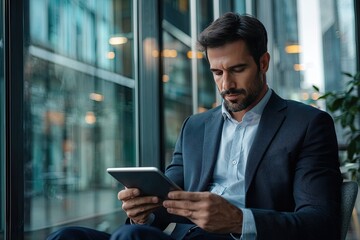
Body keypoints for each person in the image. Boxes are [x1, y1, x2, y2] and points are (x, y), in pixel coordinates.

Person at [47, 12, 342, 240]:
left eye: (238, 69)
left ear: (263, 63)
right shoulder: (195, 127)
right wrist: (144, 213)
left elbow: (321, 223)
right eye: (217, 72)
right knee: (67, 235)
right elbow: (167, 202)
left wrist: (239, 220)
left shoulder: (307, 124)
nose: (226, 84)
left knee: (131, 237)